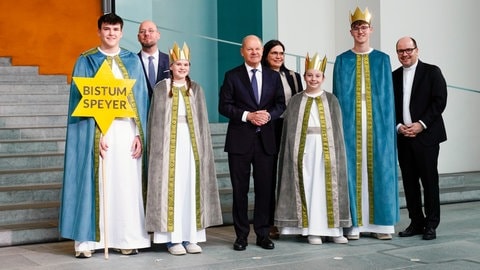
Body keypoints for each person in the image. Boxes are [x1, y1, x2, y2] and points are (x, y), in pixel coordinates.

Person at [59, 13, 150, 258]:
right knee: (95, 182)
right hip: (97, 131)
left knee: (125, 183)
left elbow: (140, 100)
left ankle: (126, 237)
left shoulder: (132, 61)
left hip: (125, 130)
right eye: (106, 29)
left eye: (115, 29)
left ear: (122, 33)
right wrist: (93, 135)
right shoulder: (86, 61)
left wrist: (139, 134)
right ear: (99, 31)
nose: (111, 33)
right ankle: (87, 241)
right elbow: (80, 102)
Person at [145, 42, 223, 255]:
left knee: (189, 186)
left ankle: (191, 236)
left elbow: (202, 121)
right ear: (170, 66)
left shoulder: (196, 88)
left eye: (186, 64)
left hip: (190, 146)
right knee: (172, 188)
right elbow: (154, 120)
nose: (182, 67)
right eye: (178, 64)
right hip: (167, 147)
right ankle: (173, 239)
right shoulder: (161, 88)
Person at [332, 7, 399, 240]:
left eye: (364, 27)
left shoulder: (382, 59)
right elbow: (337, 97)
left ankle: (382, 226)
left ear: (371, 29)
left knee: (380, 168)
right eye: (356, 27)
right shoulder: (342, 60)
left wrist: (387, 127)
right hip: (350, 125)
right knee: (352, 169)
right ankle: (354, 224)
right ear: (350, 31)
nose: (360, 31)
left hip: (377, 124)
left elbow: (388, 97)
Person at [275, 53, 351, 245]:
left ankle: (334, 230)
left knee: (328, 187)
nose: (313, 79)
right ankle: (311, 230)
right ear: (304, 77)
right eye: (310, 75)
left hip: (328, 151)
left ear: (323, 78)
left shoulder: (332, 100)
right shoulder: (295, 100)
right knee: (309, 187)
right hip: (304, 151)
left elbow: (338, 130)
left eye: (317, 76)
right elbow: (290, 131)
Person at [219, 35, 286, 251]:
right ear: (242, 51)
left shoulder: (273, 76)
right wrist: (248, 115)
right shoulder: (232, 76)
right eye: (250, 49)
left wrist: (268, 115)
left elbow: (280, 104)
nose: (254, 52)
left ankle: (263, 234)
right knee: (239, 190)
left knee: (264, 189)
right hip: (240, 141)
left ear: (262, 52)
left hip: (266, 141)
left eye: (258, 49)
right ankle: (241, 236)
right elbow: (224, 106)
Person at [393, 37, 447, 240]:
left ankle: (431, 224)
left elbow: (439, 101)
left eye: (408, 50)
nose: (404, 54)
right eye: (400, 51)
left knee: (429, 181)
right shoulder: (394, 76)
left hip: (426, 137)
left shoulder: (432, 72)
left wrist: (421, 124)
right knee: (409, 182)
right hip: (404, 137)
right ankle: (416, 222)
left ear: (417, 49)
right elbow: (391, 106)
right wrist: (399, 127)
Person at [261, 39, 304, 239]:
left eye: (281, 53)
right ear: (266, 56)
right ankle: (270, 221)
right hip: (269, 127)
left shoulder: (294, 77)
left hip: (291, 127)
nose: (278, 57)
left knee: (291, 172)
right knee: (269, 175)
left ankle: (293, 218)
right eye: (274, 53)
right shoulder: (262, 76)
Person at [137, 20, 170, 99]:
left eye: (151, 31)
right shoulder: (133, 62)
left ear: (158, 35)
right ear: (138, 37)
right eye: (142, 31)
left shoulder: (170, 61)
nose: (147, 34)